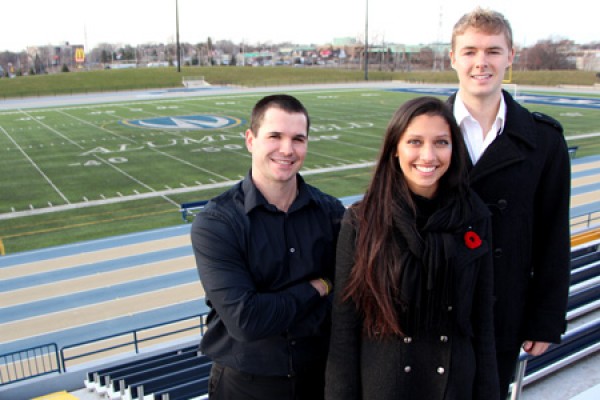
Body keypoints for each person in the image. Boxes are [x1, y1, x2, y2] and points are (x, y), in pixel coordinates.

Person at [325, 96, 499, 400]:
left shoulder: (474, 217)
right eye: (415, 142)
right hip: (386, 386)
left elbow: (482, 322)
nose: (428, 155)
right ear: (395, 148)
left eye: (441, 142)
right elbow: (344, 328)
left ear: (454, 149)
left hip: (454, 386)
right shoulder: (361, 221)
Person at [447, 7, 572, 397]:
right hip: (431, 309)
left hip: (501, 313)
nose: (480, 62)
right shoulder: (422, 130)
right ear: (452, 58)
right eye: (469, 51)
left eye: (492, 51)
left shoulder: (544, 140)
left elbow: (553, 237)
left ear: (510, 56)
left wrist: (546, 318)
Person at [191, 94, 346, 400]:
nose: (287, 149)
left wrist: (274, 304)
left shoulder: (332, 213)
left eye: (298, 139)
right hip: (245, 386)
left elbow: (349, 296)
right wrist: (318, 287)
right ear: (250, 140)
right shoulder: (217, 223)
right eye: (275, 136)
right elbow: (247, 321)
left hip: (319, 380)